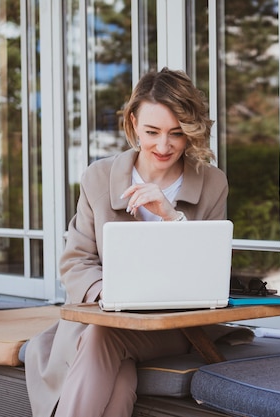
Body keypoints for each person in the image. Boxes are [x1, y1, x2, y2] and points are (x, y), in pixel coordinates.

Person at [25, 68, 229, 417]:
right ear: (133, 122)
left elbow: (211, 269)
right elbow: (76, 261)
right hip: (108, 318)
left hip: (179, 325)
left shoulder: (212, 183)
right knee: (117, 374)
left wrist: (171, 216)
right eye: (152, 132)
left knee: (104, 338)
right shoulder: (99, 178)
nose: (164, 146)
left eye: (176, 134)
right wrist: (110, 294)